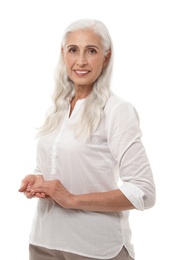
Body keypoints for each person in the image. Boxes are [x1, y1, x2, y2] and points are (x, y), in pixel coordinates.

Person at [18, 19, 156, 260]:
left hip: (95, 249)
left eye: (91, 51)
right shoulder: (58, 109)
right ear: (63, 54)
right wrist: (39, 181)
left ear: (106, 57)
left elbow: (143, 191)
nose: (80, 61)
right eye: (73, 50)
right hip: (43, 243)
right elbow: (54, 168)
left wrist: (71, 200)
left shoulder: (116, 110)